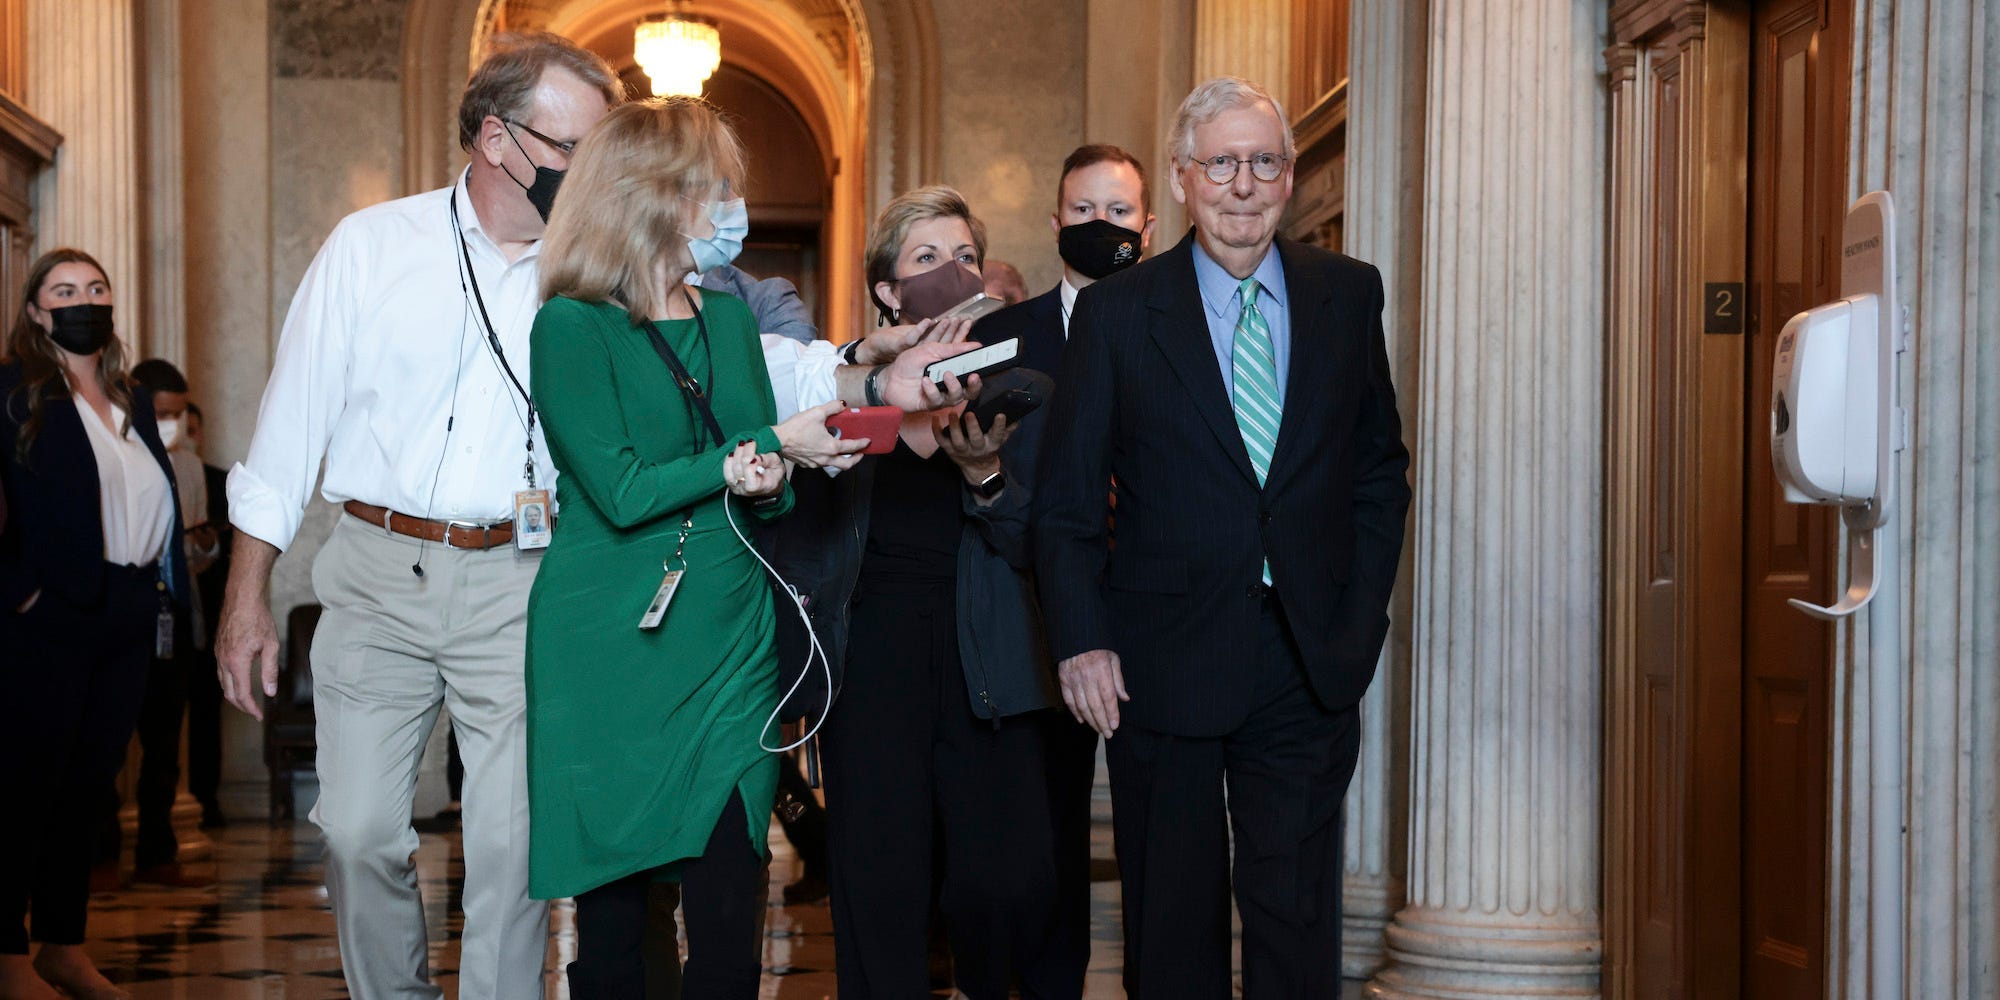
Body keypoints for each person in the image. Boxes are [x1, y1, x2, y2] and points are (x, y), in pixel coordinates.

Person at [1034, 78, 1411, 998]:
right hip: (1161, 662)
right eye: (1222, 163)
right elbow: (1069, 500)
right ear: (1184, 178)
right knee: (1171, 926)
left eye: (1264, 162)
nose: (1243, 184)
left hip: (1307, 658)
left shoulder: (1347, 294)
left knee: (1294, 914)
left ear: (1288, 178)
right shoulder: (1120, 314)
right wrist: (1081, 638)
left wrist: (1358, 621)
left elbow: (1377, 474)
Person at [526, 96, 817, 999]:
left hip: (729, 639)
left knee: (732, 897)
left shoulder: (729, 320)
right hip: (611, 645)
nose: (730, 204)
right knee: (615, 928)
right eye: (712, 186)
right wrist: (766, 452)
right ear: (649, 194)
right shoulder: (571, 325)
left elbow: (763, 488)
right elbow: (619, 491)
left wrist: (775, 480)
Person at [806, 185, 1066, 999]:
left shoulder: (1023, 390)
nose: (951, 274)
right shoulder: (844, 388)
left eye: (964, 258)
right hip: (874, 658)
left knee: (1006, 881)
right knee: (879, 884)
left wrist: (985, 471)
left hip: (985, 652)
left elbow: (1039, 537)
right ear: (887, 290)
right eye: (926, 259)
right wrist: (876, 385)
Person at [973, 143, 1157, 991]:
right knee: (1041, 853)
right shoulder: (1001, 336)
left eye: (1118, 212)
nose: (1101, 227)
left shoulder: (1185, 326)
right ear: (1055, 224)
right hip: (1036, 608)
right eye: (1083, 211)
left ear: (1148, 227)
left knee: (1162, 846)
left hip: (1160, 611)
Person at [1, 248, 191, 1000]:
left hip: (130, 608)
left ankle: (63, 944)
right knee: (24, 786)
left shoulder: (132, 396)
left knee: (87, 788)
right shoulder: (15, 390)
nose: (86, 300)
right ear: (37, 309)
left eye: (97, 288)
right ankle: (8, 955)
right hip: (49, 613)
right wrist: (21, 595)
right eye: (66, 290)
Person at [109, 359, 218, 888]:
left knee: (164, 742)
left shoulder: (190, 467)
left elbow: (198, 554)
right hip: (120, 611)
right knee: (106, 742)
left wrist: (202, 543)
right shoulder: (114, 453)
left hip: (174, 613)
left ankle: (158, 850)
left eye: (179, 414)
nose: (172, 424)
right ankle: (99, 852)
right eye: (163, 413)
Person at [180, 401, 230, 829]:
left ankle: (206, 800)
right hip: (161, 615)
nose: (184, 434)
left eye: (190, 427)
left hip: (208, 615)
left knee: (206, 716)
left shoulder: (218, 482)